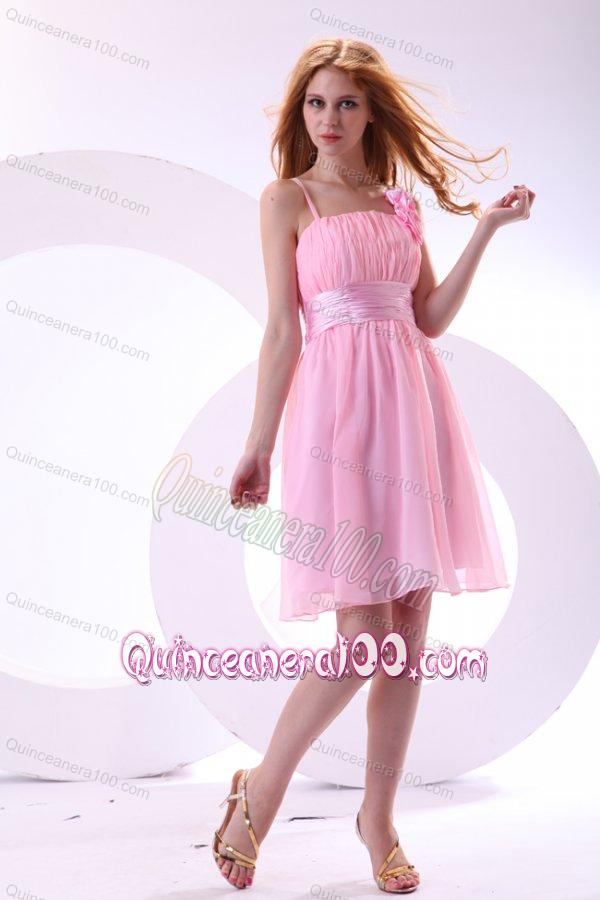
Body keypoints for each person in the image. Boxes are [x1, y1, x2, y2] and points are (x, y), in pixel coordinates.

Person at [213, 37, 533, 893]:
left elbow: (428, 316)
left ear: (369, 113)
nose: (330, 119)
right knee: (363, 641)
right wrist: (259, 443)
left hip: (414, 413)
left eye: (346, 104)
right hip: (340, 422)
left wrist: (486, 231)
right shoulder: (287, 200)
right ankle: (261, 792)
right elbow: (282, 330)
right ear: (302, 113)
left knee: (409, 638)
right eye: (317, 103)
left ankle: (378, 820)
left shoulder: (399, 204)